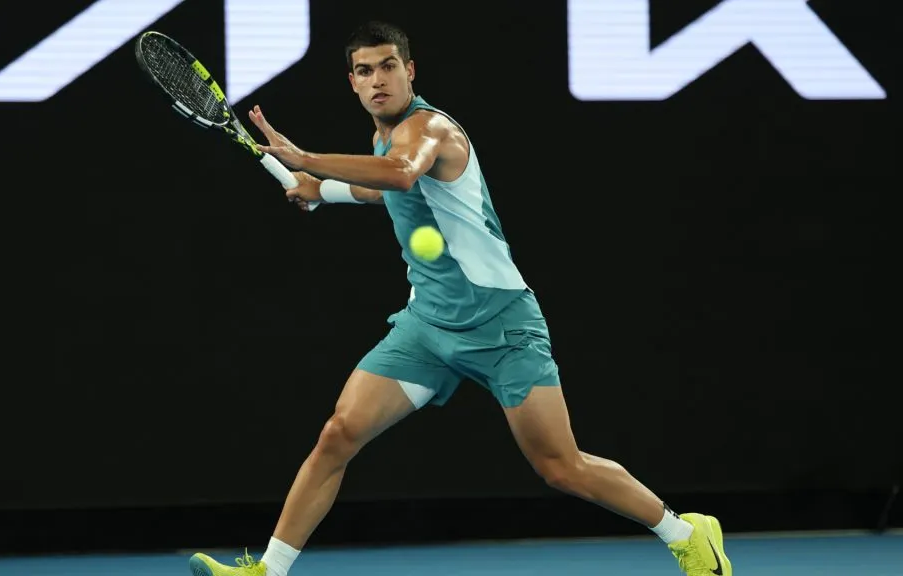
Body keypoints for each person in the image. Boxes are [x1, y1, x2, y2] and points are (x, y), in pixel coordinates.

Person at [188, 20, 732, 576]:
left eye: (388, 66)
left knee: (561, 467)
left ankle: (687, 533)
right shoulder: (384, 138)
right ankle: (270, 570)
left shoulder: (430, 130)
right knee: (339, 433)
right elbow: (389, 193)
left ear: (410, 71)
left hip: (500, 324)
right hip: (427, 325)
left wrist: (307, 160)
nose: (378, 80)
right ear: (352, 83)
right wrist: (322, 191)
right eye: (364, 70)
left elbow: (401, 175)